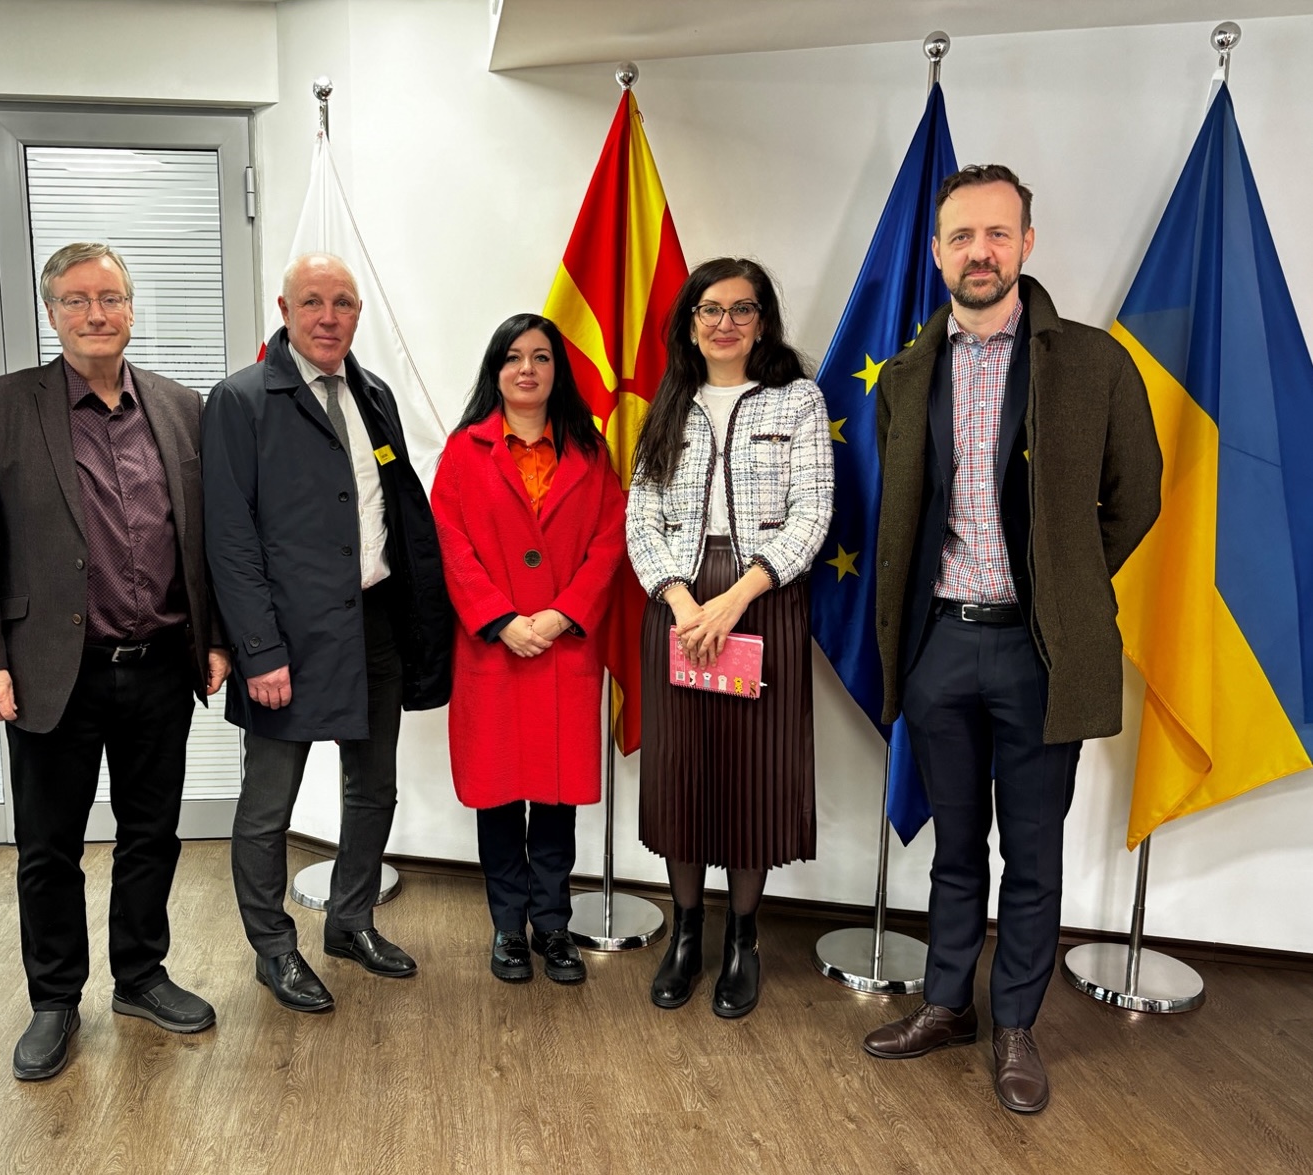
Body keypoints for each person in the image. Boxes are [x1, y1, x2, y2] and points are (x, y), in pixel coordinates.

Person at [864, 165, 1161, 1113]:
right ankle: (948, 1002)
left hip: (1041, 651)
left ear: (1026, 243)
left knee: (1031, 853)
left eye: (997, 233)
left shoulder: (1091, 361)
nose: (979, 251)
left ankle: (1017, 1025)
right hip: (942, 643)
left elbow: (1137, 498)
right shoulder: (910, 373)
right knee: (957, 846)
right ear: (940, 251)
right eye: (961, 236)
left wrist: (1064, 586)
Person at [0, 242, 231, 1081]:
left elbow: (204, 539)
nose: (95, 313)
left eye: (109, 297)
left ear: (132, 309)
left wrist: (212, 637)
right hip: (45, 671)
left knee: (152, 834)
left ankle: (140, 976)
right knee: (49, 846)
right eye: (76, 301)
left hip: (160, 668)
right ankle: (55, 998)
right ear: (52, 313)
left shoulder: (180, 408)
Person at [202, 253, 452, 1014]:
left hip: (372, 624)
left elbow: (393, 510)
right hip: (287, 638)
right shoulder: (241, 399)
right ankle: (273, 949)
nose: (327, 316)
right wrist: (259, 651)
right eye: (312, 301)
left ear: (357, 313)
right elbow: (229, 539)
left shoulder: (372, 393)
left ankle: (350, 921)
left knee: (373, 786)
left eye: (343, 302)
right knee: (268, 805)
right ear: (284, 308)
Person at [626, 257, 834, 1018]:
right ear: (690, 322)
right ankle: (687, 934)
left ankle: (743, 939)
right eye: (709, 309)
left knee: (754, 777)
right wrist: (683, 602)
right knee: (684, 775)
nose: (725, 323)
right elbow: (639, 516)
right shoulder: (668, 403)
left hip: (764, 601)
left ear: (763, 320)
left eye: (742, 309)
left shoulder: (798, 401)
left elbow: (814, 513)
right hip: (677, 604)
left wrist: (738, 596)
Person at [430, 314, 626, 985]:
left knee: (556, 798)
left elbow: (609, 542)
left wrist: (563, 613)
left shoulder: (591, 451)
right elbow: (450, 547)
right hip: (494, 652)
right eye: (513, 357)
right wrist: (500, 618)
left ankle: (554, 925)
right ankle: (508, 928)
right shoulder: (462, 452)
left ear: (556, 371)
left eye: (541, 357)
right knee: (499, 795)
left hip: (565, 651)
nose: (527, 369)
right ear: (496, 369)